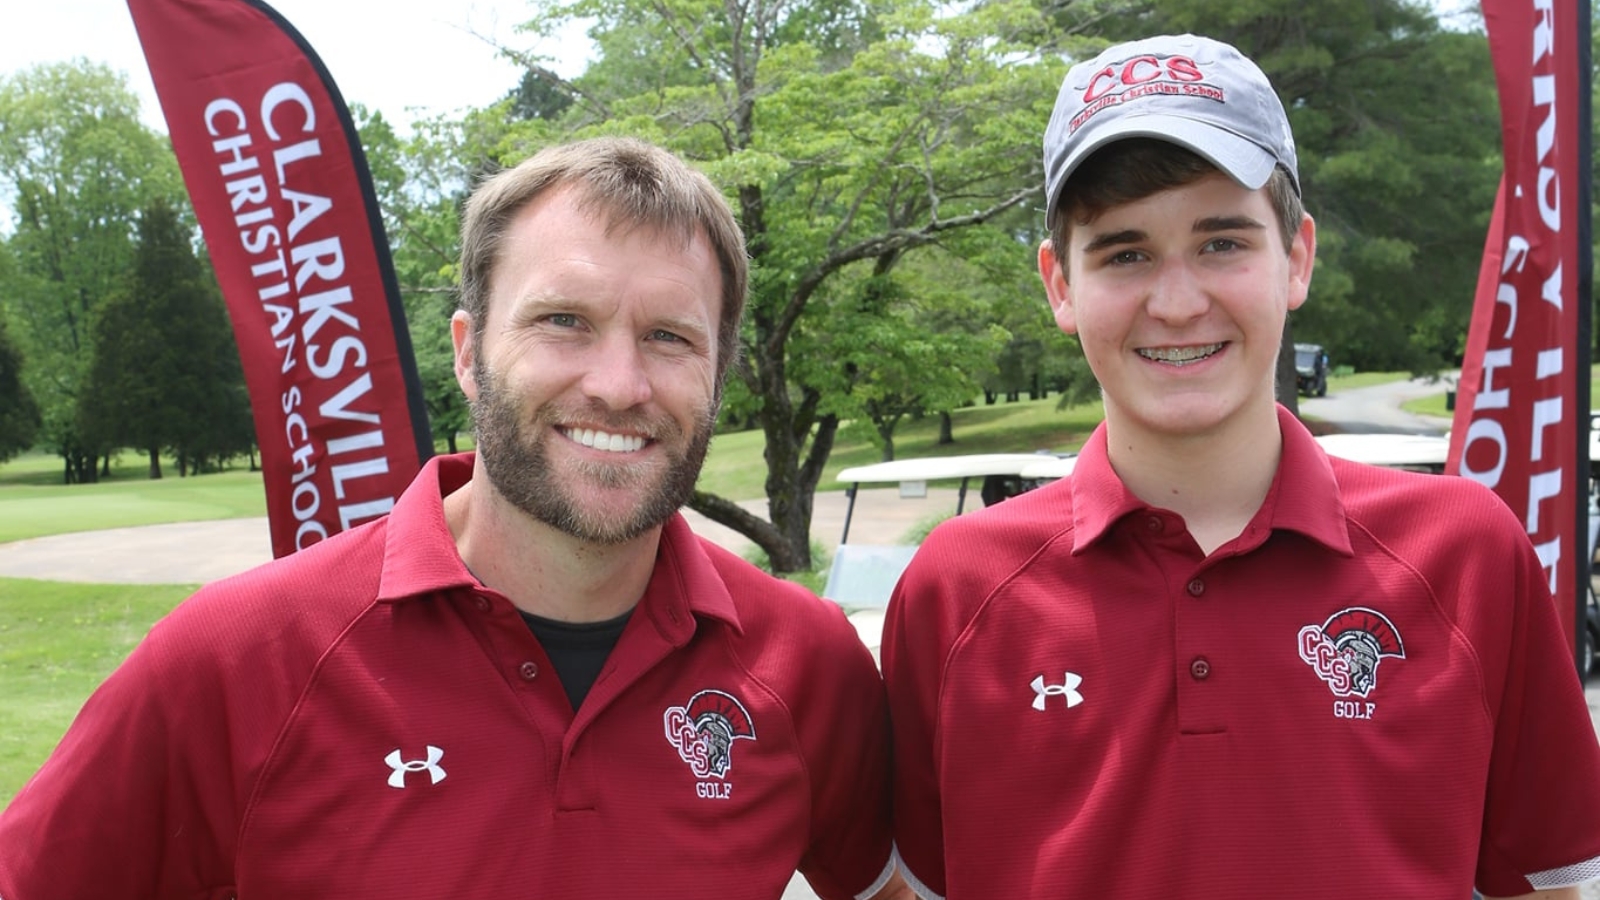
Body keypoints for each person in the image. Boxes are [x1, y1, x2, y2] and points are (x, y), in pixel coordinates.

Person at [0, 137, 906, 900]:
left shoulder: (806, 664)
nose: (619, 385)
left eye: (670, 337)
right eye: (563, 321)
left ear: (719, 373)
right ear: (471, 356)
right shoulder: (238, 658)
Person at [881, 33, 1600, 900]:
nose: (1178, 303)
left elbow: (1546, 886)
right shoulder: (953, 592)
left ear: (1296, 257)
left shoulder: (1467, 554)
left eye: (1223, 243)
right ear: (1059, 285)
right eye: (1125, 253)